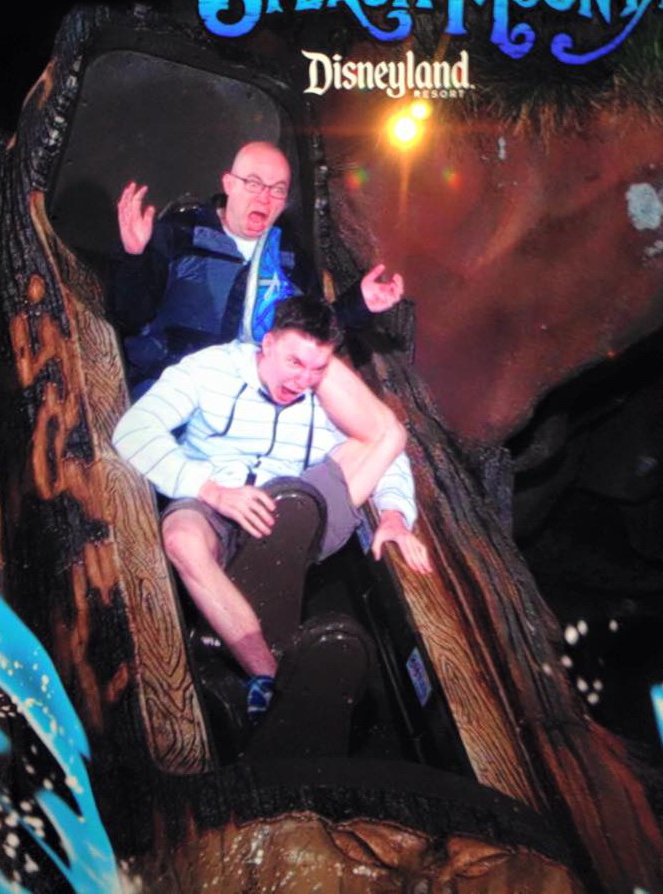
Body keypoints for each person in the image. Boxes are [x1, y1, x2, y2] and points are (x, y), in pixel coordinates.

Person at [113, 296, 431, 716]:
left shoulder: (324, 395)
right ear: (266, 344)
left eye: (317, 368)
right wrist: (211, 490)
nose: (302, 379)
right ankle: (269, 678)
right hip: (214, 499)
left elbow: (385, 447)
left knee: (380, 439)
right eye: (294, 362)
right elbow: (134, 430)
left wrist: (393, 515)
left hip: (296, 516)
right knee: (181, 539)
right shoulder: (212, 369)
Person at [112, 140, 405, 398]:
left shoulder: (291, 259)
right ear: (229, 184)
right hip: (170, 386)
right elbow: (129, 316)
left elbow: (310, 339)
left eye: (277, 190)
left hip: (251, 402)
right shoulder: (179, 234)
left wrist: (359, 304)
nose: (265, 198)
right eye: (253, 184)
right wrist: (134, 256)